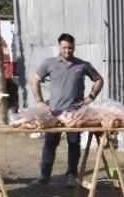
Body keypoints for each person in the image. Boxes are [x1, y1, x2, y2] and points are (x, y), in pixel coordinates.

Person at [29, 33, 103, 187]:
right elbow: (35, 79)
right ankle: (44, 177)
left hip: (75, 114)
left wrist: (91, 96)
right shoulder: (49, 63)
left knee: (73, 144)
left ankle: (71, 176)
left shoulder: (83, 65)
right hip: (54, 113)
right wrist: (40, 101)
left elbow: (99, 80)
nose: (67, 50)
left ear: (74, 47)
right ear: (59, 47)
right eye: (64, 47)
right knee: (50, 143)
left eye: (70, 47)